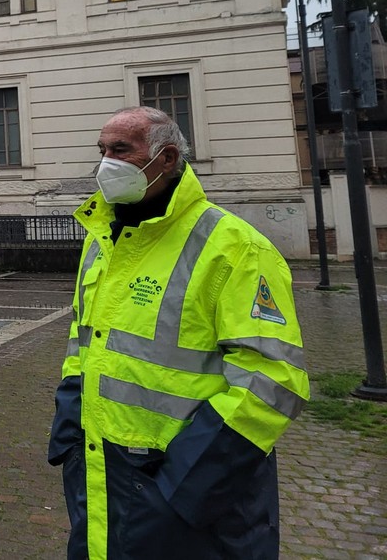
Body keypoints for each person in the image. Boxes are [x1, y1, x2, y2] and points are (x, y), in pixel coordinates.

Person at [48, 106, 309, 559]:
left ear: (166, 159)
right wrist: (69, 433)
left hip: (189, 489)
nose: (105, 162)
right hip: (99, 464)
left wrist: (181, 486)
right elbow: (84, 339)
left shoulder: (234, 246)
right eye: (102, 150)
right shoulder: (101, 237)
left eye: (120, 150)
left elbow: (273, 380)